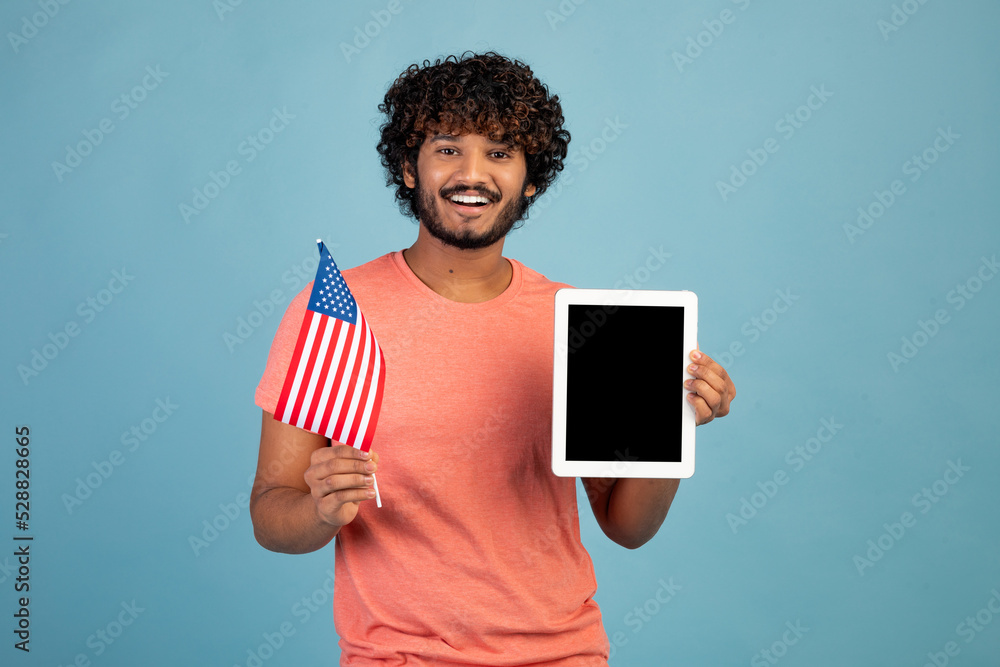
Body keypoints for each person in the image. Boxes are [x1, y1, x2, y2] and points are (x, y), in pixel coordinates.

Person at [250, 51, 735, 665]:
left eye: (500, 152)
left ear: (531, 178)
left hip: (561, 654)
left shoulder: (585, 324)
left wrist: (677, 423)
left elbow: (627, 526)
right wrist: (320, 512)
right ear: (408, 166)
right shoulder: (335, 311)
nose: (471, 173)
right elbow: (272, 510)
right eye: (448, 148)